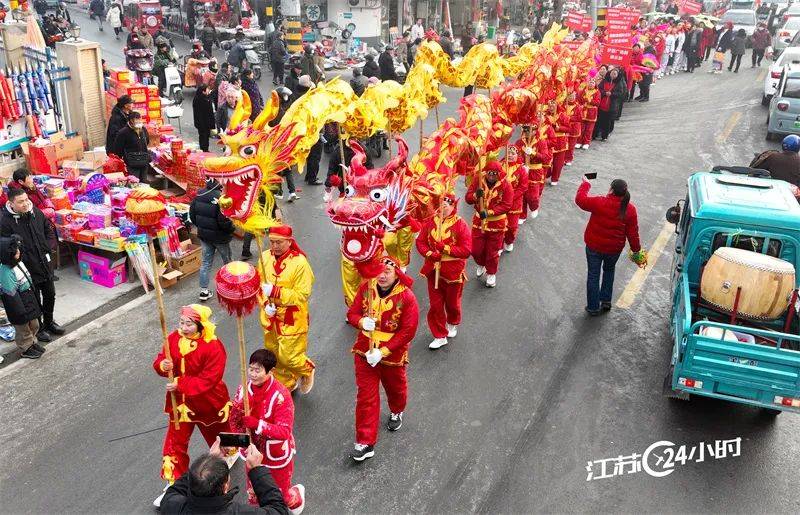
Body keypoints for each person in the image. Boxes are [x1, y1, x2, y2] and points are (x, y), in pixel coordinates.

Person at [152, 304, 232, 507]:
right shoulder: (173, 338)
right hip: (180, 404)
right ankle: (174, 484)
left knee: (220, 436)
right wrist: (163, 365)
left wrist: (180, 383)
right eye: (182, 322)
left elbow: (209, 379)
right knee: (174, 443)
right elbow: (161, 359)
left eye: (189, 324)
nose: (184, 327)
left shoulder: (213, 346)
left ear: (199, 324)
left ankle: (227, 457)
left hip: (208, 402)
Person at [346, 257, 419, 462]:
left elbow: (408, 331)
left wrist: (383, 351)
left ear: (397, 273)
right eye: (379, 271)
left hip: (392, 354)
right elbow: (351, 313)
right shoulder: (366, 288)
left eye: (387, 271)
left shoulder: (407, 297)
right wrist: (361, 321)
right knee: (366, 396)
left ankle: (397, 411)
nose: (382, 275)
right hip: (364, 350)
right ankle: (365, 442)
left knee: (395, 389)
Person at [229, 349, 305, 512]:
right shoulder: (243, 389)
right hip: (252, 450)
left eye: (258, 370)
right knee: (254, 494)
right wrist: (236, 440)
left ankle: (296, 499)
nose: (253, 374)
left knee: (279, 495)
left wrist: (257, 424)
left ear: (270, 371)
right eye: (251, 369)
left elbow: (284, 432)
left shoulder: (281, 395)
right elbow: (234, 419)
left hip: (275, 453)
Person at [257, 225, 316, 393]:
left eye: (279, 242)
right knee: (273, 352)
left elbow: (302, 294)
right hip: (270, 315)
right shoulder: (264, 257)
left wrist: (276, 292)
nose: (274, 246)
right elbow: (258, 287)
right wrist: (265, 304)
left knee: (289, 356)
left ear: (289, 242)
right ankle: (287, 382)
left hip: (292, 317)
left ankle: (306, 369)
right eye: (272, 242)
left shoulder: (300, 263)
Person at [161, 437, 289, 514]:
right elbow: (278, 511)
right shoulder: (239, 512)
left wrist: (208, 461)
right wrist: (257, 469)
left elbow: (173, 492)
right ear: (225, 486)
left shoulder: (173, 506)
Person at [1, 188, 62, 343]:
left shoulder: (35, 212)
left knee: (50, 295)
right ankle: (40, 328)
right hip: (25, 268)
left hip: (44, 263)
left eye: (26, 199)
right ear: (11, 203)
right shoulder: (5, 222)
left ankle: (49, 322)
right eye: (20, 201)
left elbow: (48, 230)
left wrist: (48, 247)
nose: (25, 203)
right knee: (33, 301)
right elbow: (6, 247)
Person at [575, 178, 641, 315]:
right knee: (609, 271)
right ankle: (606, 300)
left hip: (594, 246)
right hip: (614, 249)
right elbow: (633, 233)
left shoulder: (600, 202)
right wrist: (636, 251)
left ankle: (593, 307)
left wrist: (586, 184)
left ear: (611, 190)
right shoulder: (630, 209)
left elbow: (580, 200)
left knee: (593, 274)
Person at [415, 192, 471, 349]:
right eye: (440, 205)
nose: (442, 208)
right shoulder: (430, 222)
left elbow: (466, 250)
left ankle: (453, 321)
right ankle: (439, 335)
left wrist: (445, 248)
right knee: (435, 305)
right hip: (433, 269)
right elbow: (420, 242)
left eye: (445, 206)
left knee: (452, 303)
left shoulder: (460, 224)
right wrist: (430, 253)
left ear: (453, 206)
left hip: (453, 271)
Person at [465, 161, 513, 288]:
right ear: (486, 173)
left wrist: (489, 212)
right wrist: (475, 195)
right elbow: (468, 198)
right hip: (478, 223)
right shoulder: (478, 180)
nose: (491, 177)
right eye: (489, 174)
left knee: (492, 252)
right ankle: (481, 263)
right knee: (476, 250)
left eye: (494, 175)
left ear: (498, 174)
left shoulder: (506, 184)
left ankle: (491, 273)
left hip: (497, 224)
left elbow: (507, 205)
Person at [0, 235, 44, 360]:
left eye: (18, 249)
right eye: (15, 251)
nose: (18, 252)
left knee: (34, 324)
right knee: (23, 328)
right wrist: (20, 312)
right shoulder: (5, 271)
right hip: (18, 302)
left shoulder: (18, 262)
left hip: (28, 297)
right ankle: (26, 348)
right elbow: (11, 295)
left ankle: (32, 342)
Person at [190, 179, 234, 301]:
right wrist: (232, 229)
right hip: (220, 237)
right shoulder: (221, 198)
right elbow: (223, 221)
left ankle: (203, 291)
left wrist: (201, 227)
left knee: (206, 263)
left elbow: (192, 215)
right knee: (228, 262)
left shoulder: (199, 194)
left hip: (205, 236)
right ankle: (231, 287)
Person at [501, 145, 529, 252]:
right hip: (500, 202)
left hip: (514, 203)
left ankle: (509, 241)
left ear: (517, 155)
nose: (510, 156)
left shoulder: (521, 169)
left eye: (513, 154)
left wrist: (511, 196)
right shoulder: (500, 166)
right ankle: (498, 246)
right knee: (499, 226)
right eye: (508, 153)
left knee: (511, 227)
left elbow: (523, 187)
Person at [112, 111, 151, 182]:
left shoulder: (143, 130)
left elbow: (147, 141)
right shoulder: (123, 132)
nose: (139, 122)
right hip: (132, 163)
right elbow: (118, 149)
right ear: (131, 121)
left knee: (144, 183)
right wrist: (123, 162)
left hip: (144, 161)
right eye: (137, 120)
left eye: (140, 119)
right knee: (134, 183)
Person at [546, 99, 570, 185]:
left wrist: (559, 128)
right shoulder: (545, 115)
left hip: (560, 141)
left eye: (553, 106)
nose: (551, 108)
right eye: (549, 106)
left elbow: (568, 129)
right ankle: (547, 174)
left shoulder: (563, 116)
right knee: (547, 159)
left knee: (558, 163)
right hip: (548, 141)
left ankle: (555, 178)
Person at [193, 84, 215, 152]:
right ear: (203, 91)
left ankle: (205, 149)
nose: (208, 90)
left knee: (206, 136)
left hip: (206, 122)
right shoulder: (200, 99)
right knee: (203, 136)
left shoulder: (205, 97)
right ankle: (204, 149)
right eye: (207, 89)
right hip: (202, 122)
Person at [579, 79, 599, 149]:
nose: (591, 84)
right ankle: (579, 141)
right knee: (581, 128)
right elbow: (580, 99)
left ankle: (586, 142)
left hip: (591, 112)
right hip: (583, 111)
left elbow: (597, 103)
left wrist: (590, 101)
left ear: (595, 84)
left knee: (589, 129)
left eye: (592, 83)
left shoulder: (597, 92)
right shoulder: (584, 91)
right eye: (590, 82)